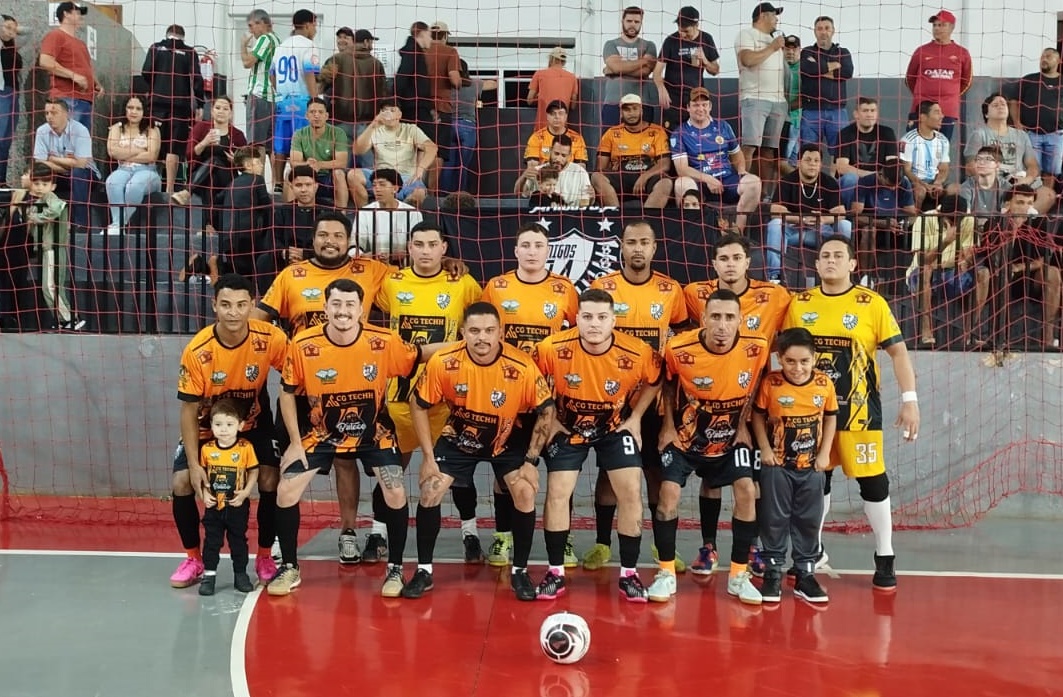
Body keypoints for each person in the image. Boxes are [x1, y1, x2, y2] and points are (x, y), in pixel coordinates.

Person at [269, 278, 440, 597]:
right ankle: (290, 567)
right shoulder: (303, 344)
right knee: (286, 489)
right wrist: (294, 441)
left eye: (350, 305)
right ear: (325, 307)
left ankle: (395, 570)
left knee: (395, 491)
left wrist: (463, 345)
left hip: (375, 432)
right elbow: (287, 392)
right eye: (336, 304)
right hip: (322, 432)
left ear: (362, 310)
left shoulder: (383, 341)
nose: (343, 311)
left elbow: (418, 355)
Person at [253, 212, 392, 564]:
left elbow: (416, 279)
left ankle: (348, 533)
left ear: (349, 240)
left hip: (349, 391)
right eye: (323, 235)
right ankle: (283, 539)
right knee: (289, 463)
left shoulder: (371, 270)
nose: (330, 241)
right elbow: (259, 320)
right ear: (313, 239)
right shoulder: (291, 276)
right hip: (300, 393)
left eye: (337, 236)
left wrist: (448, 262)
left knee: (346, 462)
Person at [783, 236, 920, 591]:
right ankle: (811, 552)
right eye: (824, 256)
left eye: (838, 255)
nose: (831, 260)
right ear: (816, 265)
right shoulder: (800, 304)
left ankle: (885, 555)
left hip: (859, 412)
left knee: (873, 483)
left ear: (852, 264)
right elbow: (787, 358)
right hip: (812, 414)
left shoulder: (871, 303)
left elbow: (898, 353)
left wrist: (910, 400)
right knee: (817, 481)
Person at [407, 302, 556, 600]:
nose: (482, 338)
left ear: (501, 332)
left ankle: (520, 571)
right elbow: (417, 403)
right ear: (463, 333)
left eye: (489, 331)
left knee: (525, 491)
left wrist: (530, 461)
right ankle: (424, 570)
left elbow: (547, 410)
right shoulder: (444, 361)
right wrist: (427, 458)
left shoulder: (522, 366)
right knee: (429, 490)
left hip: (507, 437)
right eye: (474, 331)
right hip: (459, 437)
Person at [531, 288, 662, 602]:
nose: (594, 324)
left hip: (615, 428)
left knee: (631, 491)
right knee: (557, 492)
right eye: (587, 317)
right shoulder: (551, 347)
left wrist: (636, 418)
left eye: (602, 317)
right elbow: (530, 379)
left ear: (613, 320)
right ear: (576, 319)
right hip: (569, 428)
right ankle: (555, 573)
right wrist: (551, 418)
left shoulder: (637, 351)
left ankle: (629, 575)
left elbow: (656, 380)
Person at [648, 288, 770, 604]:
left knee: (747, 490)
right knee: (668, 493)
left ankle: (738, 576)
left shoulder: (757, 347)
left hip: (730, 437)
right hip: (685, 437)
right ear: (703, 318)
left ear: (741, 320)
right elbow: (668, 383)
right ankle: (665, 573)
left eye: (729, 317)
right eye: (715, 316)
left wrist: (742, 424)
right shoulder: (678, 347)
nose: (722, 325)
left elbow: (757, 382)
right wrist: (667, 425)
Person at [682, 233, 792, 575]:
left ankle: (751, 548)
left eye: (736, 258)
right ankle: (708, 547)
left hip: (757, 405)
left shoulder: (774, 296)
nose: (730, 265)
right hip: (710, 404)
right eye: (724, 259)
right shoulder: (694, 294)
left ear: (748, 262)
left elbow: (788, 342)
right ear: (714, 263)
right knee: (712, 479)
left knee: (752, 480)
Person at [170, 273, 288, 590]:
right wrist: (194, 464)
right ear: (214, 306)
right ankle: (194, 559)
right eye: (225, 305)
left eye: (240, 305)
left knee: (270, 479)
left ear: (252, 304)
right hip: (207, 427)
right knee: (182, 481)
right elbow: (188, 409)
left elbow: (298, 377)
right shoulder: (198, 350)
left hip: (255, 424)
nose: (233, 312)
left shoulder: (271, 338)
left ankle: (265, 556)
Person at [373, 221, 482, 563]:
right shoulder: (391, 282)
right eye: (418, 244)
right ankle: (377, 534)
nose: (425, 251)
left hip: (448, 398)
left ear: (444, 248)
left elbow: (482, 324)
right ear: (408, 248)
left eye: (432, 244)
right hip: (400, 396)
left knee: (456, 472)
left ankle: (470, 533)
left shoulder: (462, 283)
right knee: (392, 469)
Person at [585, 221, 687, 573]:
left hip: (654, 402)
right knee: (608, 476)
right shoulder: (603, 287)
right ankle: (602, 544)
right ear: (622, 246)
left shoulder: (670, 290)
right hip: (612, 402)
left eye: (645, 242)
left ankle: (663, 549)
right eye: (631, 242)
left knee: (656, 473)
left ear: (655, 248)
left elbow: (682, 338)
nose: (638, 248)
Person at [481, 222, 578, 566]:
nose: (532, 251)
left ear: (548, 250)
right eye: (526, 245)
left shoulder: (564, 289)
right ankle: (502, 538)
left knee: (560, 474)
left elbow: (577, 339)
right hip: (507, 397)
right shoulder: (497, 287)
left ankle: (564, 541)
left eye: (539, 245)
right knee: (505, 471)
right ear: (516, 250)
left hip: (550, 401)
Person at [751, 327, 838, 604]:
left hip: (811, 468)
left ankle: (805, 575)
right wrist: (765, 449)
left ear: (814, 359)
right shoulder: (771, 383)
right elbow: (757, 416)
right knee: (773, 519)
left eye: (804, 361)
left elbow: (831, 417)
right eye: (790, 361)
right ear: (779, 358)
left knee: (808, 520)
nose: (797, 368)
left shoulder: (824, 383)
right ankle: (772, 573)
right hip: (777, 466)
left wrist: (825, 453)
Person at [973, 185, 1062, 349]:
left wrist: (1019, 268)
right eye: (1020, 202)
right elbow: (994, 258)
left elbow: (1044, 259)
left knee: (1053, 273)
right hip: (998, 276)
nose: (1025, 207)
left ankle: (1048, 338)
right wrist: (1013, 229)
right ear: (1008, 204)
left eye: (1029, 203)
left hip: (1026, 276)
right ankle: (994, 336)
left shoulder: (1039, 223)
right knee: (1002, 273)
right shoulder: (994, 223)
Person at [670, 87, 762, 231]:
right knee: (681, 183)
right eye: (696, 105)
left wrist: (742, 171)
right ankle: (693, 234)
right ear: (688, 107)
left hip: (726, 180)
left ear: (710, 106)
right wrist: (707, 179)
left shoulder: (723, 126)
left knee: (754, 182)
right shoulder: (680, 133)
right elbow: (682, 169)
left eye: (704, 104)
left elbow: (736, 154)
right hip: (700, 184)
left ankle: (737, 233)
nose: (700, 109)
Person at [196, 399, 259, 596]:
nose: (224, 429)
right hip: (214, 506)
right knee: (211, 541)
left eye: (229, 424)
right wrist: (204, 493)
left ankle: (240, 574)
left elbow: (254, 471)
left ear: (240, 425)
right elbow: (202, 475)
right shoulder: (207, 449)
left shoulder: (245, 447)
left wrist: (246, 492)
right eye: (218, 424)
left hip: (237, 505)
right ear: (211, 425)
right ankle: (209, 575)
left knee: (238, 541)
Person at [766, 143, 853, 281]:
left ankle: (842, 271)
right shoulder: (787, 181)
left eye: (816, 161)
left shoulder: (829, 182)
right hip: (794, 231)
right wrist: (801, 219)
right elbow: (775, 211)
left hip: (820, 231)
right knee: (775, 224)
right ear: (799, 162)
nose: (812, 164)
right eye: (808, 160)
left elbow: (841, 213)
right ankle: (775, 276)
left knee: (845, 225)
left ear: (820, 164)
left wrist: (822, 219)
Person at [171, 96, 248, 238]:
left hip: (227, 179)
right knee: (211, 177)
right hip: (201, 178)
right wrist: (204, 142)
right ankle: (209, 225)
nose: (221, 111)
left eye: (225, 109)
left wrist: (236, 161)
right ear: (212, 111)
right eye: (217, 108)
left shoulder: (237, 135)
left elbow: (247, 165)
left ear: (231, 113)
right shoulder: (201, 127)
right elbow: (188, 154)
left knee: (215, 162)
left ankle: (187, 192)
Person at [965, 93, 1054, 214]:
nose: (1001, 106)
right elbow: (970, 166)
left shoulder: (1021, 135)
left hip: (1018, 183)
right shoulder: (979, 134)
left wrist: (1027, 180)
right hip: (993, 183)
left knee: (1048, 195)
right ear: (986, 114)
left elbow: (1032, 165)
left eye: (1003, 104)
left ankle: (1020, 219)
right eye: (995, 105)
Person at [142, 24, 204, 194]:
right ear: (183, 37)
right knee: (173, 147)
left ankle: (152, 185)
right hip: (180, 107)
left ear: (167, 34)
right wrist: (200, 104)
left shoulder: (155, 48)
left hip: (157, 105)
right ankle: (169, 188)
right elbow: (197, 79)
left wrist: (155, 86)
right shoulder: (190, 52)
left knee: (155, 144)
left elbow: (145, 71)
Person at [905, 194, 975, 346]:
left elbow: (969, 252)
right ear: (940, 213)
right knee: (926, 269)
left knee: (983, 273)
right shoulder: (924, 219)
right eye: (951, 219)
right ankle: (926, 330)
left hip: (953, 274)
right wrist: (945, 242)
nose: (955, 223)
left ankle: (970, 334)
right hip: (924, 275)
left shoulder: (968, 220)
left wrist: (967, 260)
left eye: (959, 220)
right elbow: (922, 260)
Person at [735, 2, 788, 197]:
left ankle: (764, 196)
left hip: (778, 101)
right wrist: (773, 48)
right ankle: (740, 190)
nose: (776, 19)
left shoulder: (774, 40)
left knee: (768, 150)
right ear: (763, 16)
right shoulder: (747, 35)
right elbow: (747, 60)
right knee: (750, 145)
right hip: (755, 98)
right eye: (774, 15)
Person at [24, 163, 82, 331]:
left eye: (44, 184)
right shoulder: (38, 202)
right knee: (49, 287)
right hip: (46, 249)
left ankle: (69, 319)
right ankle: (64, 320)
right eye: (36, 183)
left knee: (51, 286)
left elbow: (57, 208)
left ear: (53, 186)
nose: (40, 187)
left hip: (53, 248)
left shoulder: (51, 198)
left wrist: (36, 217)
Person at [591, 94, 672, 208]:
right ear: (621, 113)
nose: (631, 113)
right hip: (621, 176)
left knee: (666, 183)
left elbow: (665, 164)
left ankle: (648, 218)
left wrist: (645, 176)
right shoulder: (611, 133)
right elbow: (600, 168)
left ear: (641, 111)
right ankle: (616, 215)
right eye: (627, 110)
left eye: (635, 109)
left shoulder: (657, 131)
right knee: (596, 177)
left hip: (648, 175)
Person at [349, 101, 436, 208]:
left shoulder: (410, 129)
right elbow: (356, 150)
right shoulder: (375, 130)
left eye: (392, 110)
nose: (388, 113)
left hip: (406, 178)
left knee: (419, 193)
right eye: (384, 110)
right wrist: (372, 125)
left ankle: (402, 216)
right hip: (380, 176)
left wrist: (420, 169)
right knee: (353, 175)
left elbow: (432, 148)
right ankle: (365, 213)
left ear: (399, 115)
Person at [253, 165, 325, 291]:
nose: (303, 190)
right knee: (264, 260)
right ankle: (269, 300)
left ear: (316, 186)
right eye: (298, 185)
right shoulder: (282, 211)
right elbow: (272, 239)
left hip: (317, 258)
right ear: (291, 187)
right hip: (286, 258)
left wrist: (306, 254)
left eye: (308, 185)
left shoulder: (328, 211)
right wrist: (285, 253)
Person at [30, 98, 98, 230]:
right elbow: (39, 163)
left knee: (77, 174)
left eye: (54, 113)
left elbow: (81, 164)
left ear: (67, 114)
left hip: (87, 175)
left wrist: (52, 159)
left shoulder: (80, 130)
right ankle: (36, 222)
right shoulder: (42, 131)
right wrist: (69, 164)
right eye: (47, 113)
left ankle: (81, 226)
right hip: (58, 175)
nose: (49, 117)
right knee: (35, 174)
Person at [904, 9, 971, 142]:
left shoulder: (962, 53)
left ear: (952, 27)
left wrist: (949, 95)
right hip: (921, 109)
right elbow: (910, 78)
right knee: (914, 146)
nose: (937, 28)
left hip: (947, 111)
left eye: (941, 25)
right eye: (935, 25)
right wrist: (922, 95)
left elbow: (966, 81)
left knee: (941, 148)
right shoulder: (921, 51)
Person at [271, 9, 320, 190]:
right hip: (302, 101)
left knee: (281, 144)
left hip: (283, 101)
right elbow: (309, 73)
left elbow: (271, 75)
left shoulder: (281, 46)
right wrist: (314, 100)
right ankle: (302, 180)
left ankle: (277, 183)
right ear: (307, 25)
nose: (315, 29)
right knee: (303, 143)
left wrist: (280, 92)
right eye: (314, 25)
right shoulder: (309, 45)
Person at [851, 156, 918, 283]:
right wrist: (883, 223)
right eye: (889, 185)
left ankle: (913, 277)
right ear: (881, 174)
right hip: (874, 224)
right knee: (868, 231)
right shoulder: (865, 182)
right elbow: (855, 216)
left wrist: (905, 224)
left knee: (919, 232)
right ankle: (865, 278)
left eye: (896, 186)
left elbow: (912, 213)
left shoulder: (904, 182)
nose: (893, 188)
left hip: (895, 227)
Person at [653, 6, 719, 130]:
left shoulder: (706, 39)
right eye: (680, 30)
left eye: (686, 31)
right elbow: (656, 72)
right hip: (673, 99)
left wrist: (705, 61)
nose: (682, 34)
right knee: (671, 134)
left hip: (696, 98)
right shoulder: (670, 40)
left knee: (697, 135)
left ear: (696, 25)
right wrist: (661, 88)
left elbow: (715, 70)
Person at [1008, 48, 1063, 194]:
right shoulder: (1029, 80)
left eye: (1048, 56)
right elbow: (1014, 101)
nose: (1044, 59)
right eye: (1042, 56)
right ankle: (1033, 198)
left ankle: (1046, 198)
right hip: (1031, 133)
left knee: (1053, 171)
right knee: (1033, 168)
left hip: (1057, 134)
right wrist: (1017, 122)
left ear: (1058, 61)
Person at [799, 17, 854, 161]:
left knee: (840, 154)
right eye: (820, 28)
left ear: (833, 31)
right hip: (811, 111)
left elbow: (847, 72)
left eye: (827, 28)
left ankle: (836, 177)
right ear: (814, 31)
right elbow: (807, 69)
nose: (823, 32)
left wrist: (818, 69)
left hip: (837, 111)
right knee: (808, 153)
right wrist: (834, 66)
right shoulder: (807, 52)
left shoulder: (843, 52)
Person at [104, 96, 161, 233]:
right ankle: (117, 225)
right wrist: (138, 150)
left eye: (138, 108)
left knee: (133, 186)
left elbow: (151, 156)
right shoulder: (116, 128)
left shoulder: (152, 129)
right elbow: (112, 152)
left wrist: (124, 153)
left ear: (144, 111)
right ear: (125, 109)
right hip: (123, 169)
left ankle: (120, 224)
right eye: (130, 107)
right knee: (112, 182)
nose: (134, 111)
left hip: (148, 171)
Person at [39, 2, 100, 130]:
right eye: (76, 12)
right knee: (67, 138)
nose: (80, 16)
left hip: (85, 99)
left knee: (81, 140)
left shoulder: (81, 44)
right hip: (66, 98)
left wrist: (96, 83)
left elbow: (86, 66)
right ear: (66, 14)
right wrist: (73, 76)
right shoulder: (55, 35)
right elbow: (45, 61)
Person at [835, 97, 898, 208]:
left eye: (873, 111)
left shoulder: (887, 133)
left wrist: (881, 177)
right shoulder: (845, 134)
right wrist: (873, 175)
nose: (869, 114)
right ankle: (850, 216)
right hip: (858, 179)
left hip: (880, 180)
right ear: (856, 114)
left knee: (901, 179)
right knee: (850, 179)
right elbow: (842, 168)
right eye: (865, 111)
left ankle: (892, 216)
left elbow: (893, 165)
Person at [516, 100, 589, 196]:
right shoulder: (536, 138)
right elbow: (532, 168)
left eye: (560, 113)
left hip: (568, 182)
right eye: (553, 113)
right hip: (544, 181)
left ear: (566, 116)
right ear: (547, 116)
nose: (556, 117)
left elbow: (581, 168)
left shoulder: (577, 138)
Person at [445, 60, 498, 192]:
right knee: (463, 166)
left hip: (448, 125)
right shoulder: (474, 84)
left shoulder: (445, 86)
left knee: (448, 165)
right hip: (467, 125)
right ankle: (460, 196)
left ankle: (443, 196)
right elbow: (494, 84)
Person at [288, 98, 350, 207]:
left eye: (320, 112)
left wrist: (319, 165)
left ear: (327, 116)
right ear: (306, 115)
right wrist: (307, 164)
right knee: (289, 173)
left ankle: (341, 214)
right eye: (312, 112)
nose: (316, 115)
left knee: (339, 173)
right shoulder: (299, 134)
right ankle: (290, 213)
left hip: (329, 178)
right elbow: (294, 162)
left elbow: (342, 162)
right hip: (307, 176)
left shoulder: (338, 133)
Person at [601, 6, 657, 127]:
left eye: (636, 22)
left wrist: (614, 70)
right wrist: (643, 61)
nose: (632, 24)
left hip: (642, 103)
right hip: (613, 103)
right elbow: (616, 67)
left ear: (641, 23)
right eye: (629, 21)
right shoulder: (611, 44)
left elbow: (645, 71)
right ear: (622, 21)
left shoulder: (649, 45)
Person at [355, 168, 425, 260]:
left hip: (406, 263)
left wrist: (395, 255)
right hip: (374, 263)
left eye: (382, 185)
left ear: (395, 188)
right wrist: (363, 256)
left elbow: (419, 244)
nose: (377, 189)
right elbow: (355, 244)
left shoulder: (413, 213)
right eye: (374, 185)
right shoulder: (364, 212)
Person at [424, 21, 462, 192]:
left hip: (420, 107)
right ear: (445, 35)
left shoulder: (420, 51)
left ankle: (416, 187)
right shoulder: (450, 51)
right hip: (441, 107)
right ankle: (432, 192)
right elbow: (454, 78)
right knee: (439, 151)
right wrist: (460, 82)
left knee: (421, 148)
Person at [241, 10, 279, 163]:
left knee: (257, 145)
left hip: (259, 96)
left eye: (251, 26)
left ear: (261, 23)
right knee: (272, 148)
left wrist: (243, 46)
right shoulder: (277, 39)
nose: (250, 30)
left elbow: (247, 62)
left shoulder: (265, 38)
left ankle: (257, 178)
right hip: (274, 98)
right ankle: (276, 178)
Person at [899, 100, 950, 210]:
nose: (942, 116)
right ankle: (914, 220)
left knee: (955, 189)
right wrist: (924, 185)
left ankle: (946, 220)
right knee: (919, 191)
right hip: (914, 182)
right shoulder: (907, 140)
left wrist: (937, 183)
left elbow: (944, 168)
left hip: (934, 182)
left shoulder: (943, 140)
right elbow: (906, 170)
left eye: (941, 112)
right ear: (922, 117)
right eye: (937, 112)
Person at [394, 22, 435, 137]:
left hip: (416, 106)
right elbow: (402, 76)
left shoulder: (414, 52)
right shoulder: (413, 52)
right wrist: (394, 101)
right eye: (429, 35)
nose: (431, 39)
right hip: (414, 108)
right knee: (425, 141)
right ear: (421, 33)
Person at [528, 47, 579, 131]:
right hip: (561, 127)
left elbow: (529, 100)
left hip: (543, 126)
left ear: (551, 59)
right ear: (564, 61)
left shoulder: (539, 74)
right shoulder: (572, 77)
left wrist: (541, 98)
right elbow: (573, 105)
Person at [0, 14, 24, 184]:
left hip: (13, 93)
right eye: (7, 27)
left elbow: (28, 32)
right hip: (2, 93)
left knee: (6, 140)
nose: (11, 32)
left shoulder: (12, 47)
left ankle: (1, 180)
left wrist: (14, 28)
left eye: (14, 30)